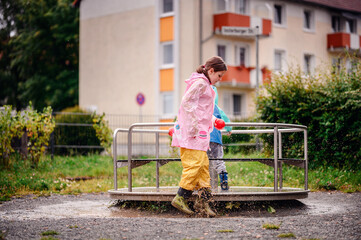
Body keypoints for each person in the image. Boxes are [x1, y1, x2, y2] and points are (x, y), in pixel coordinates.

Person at [169, 56, 227, 217]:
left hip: (199, 134)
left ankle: (203, 203)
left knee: (203, 168)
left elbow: (203, 110)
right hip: (192, 134)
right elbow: (187, 102)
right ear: (211, 70)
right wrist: (194, 126)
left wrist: (214, 120)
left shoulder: (205, 84)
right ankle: (181, 197)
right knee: (195, 165)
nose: (219, 79)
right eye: (219, 75)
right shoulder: (201, 83)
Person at [207, 86, 232, 191]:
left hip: (203, 140)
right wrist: (229, 129)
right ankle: (223, 180)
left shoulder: (201, 107)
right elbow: (225, 119)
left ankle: (201, 184)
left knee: (203, 162)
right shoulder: (217, 108)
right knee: (218, 160)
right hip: (216, 139)